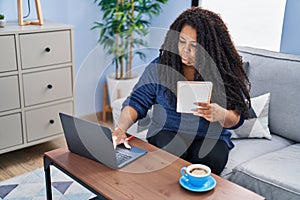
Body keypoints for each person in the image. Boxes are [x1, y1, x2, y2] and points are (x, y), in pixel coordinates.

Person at [112, 7, 251, 175]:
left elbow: (238, 116)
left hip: (209, 136)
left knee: (212, 161)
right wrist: (120, 129)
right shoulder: (160, 68)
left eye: (194, 46)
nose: (186, 51)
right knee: (172, 155)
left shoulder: (222, 72)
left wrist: (222, 115)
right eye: (182, 42)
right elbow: (136, 102)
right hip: (167, 131)